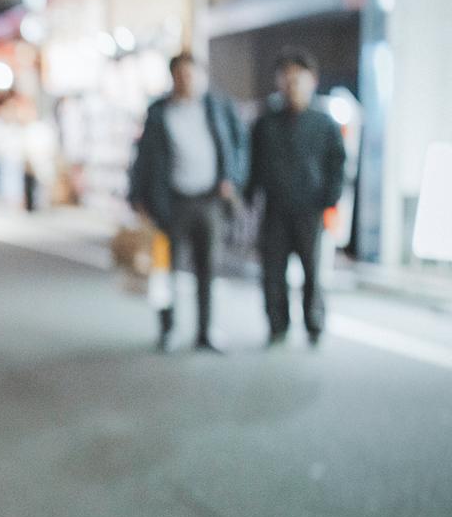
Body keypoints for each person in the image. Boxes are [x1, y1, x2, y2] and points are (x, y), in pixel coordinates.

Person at [128, 52, 246, 352]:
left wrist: (231, 178)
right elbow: (143, 159)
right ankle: (168, 329)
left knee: (208, 268)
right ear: (173, 78)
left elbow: (238, 145)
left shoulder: (218, 107)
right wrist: (138, 197)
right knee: (165, 270)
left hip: (209, 200)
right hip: (171, 202)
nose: (187, 80)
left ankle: (205, 331)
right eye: (180, 74)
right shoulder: (158, 113)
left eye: (191, 74)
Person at [245, 46, 346, 346]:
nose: (291, 85)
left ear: (312, 80)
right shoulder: (266, 123)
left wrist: (330, 198)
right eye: (285, 79)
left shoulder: (324, 124)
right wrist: (249, 197)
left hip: (310, 208)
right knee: (272, 271)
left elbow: (337, 164)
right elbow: (254, 164)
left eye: (297, 78)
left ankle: (314, 323)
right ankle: (277, 324)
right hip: (274, 208)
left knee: (312, 271)